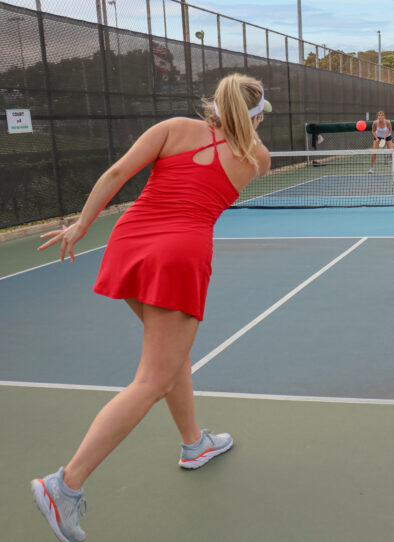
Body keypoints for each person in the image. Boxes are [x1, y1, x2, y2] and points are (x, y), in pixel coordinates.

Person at [30, 73, 272, 542]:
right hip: (179, 256)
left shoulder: (173, 127)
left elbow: (118, 173)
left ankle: (194, 444)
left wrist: (81, 225)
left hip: (129, 242)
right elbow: (233, 152)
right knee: (151, 379)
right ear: (257, 115)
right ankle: (64, 485)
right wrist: (248, 125)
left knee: (169, 358)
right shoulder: (256, 157)